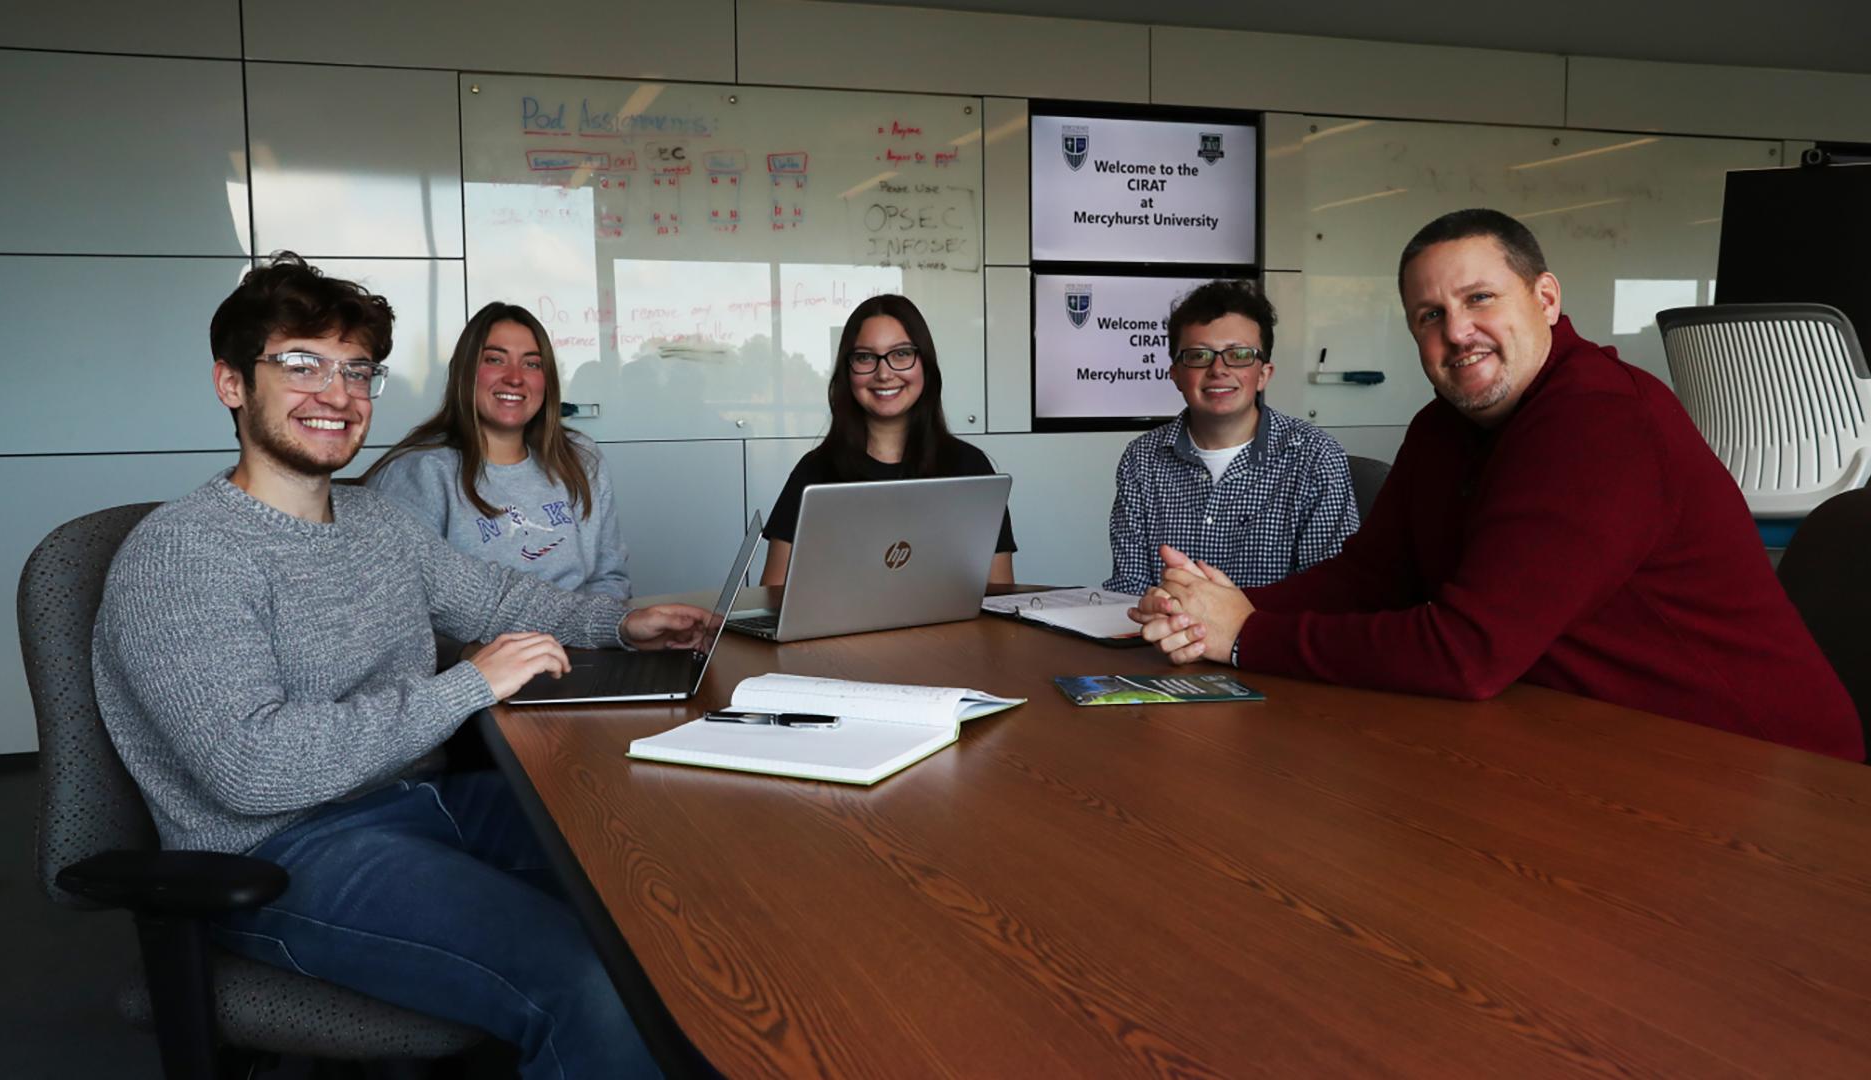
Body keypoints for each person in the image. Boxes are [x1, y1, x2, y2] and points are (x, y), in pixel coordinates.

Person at [93, 254, 712, 1077]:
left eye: (356, 370)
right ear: (232, 384)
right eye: (301, 363)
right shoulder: (183, 552)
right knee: (588, 978)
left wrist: (623, 624)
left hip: (418, 801)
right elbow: (252, 768)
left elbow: (497, 601)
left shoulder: (374, 521)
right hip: (285, 851)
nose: (338, 393)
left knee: (668, 875)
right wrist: (467, 686)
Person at [1133, 209, 1863, 761]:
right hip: (1595, 743)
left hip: (1769, 772)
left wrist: (1247, 636)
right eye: (1431, 315)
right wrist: (1213, 611)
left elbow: (1467, 652)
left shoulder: (1601, 420)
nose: (1458, 332)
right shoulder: (1443, 425)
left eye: (1481, 299)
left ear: (1545, 298)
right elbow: (1371, 577)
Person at [1103, 279, 1356, 596]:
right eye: (1199, 356)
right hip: (1161, 641)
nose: (1219, 369)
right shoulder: (1142, 459)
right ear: (1176, 375)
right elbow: (1129, 588)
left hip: (1270, 643)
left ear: (1264, 374)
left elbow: (1330, 596)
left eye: (1239, 354)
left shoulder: (1316, 456)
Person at [364, 302, 630, 600]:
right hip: (485, 647)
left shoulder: (581, 457)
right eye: (495, 359)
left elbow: (610, 577)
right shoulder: (418, 474)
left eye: (532, 364)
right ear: (466, 372)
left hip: (585, 641)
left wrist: (592, 637)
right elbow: (403, 611)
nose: (515, 377)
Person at [759, 293, 1017, 585]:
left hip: (951, 633)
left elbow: (1000, 595)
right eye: (865, 357)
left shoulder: (970, 468)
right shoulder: (815, 471)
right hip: (843, 632)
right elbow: (773, 595)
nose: (884, 373)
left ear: (925, 365)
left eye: (901, 354)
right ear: (848, 370)